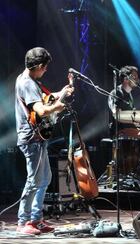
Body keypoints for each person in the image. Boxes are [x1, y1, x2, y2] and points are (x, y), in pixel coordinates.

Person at [15, 47, 73, 234]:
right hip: (31, 139)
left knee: (44, 179)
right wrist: (58, 107)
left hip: (37, 138)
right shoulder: (27, 83)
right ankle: (24, 222)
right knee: (34, 180)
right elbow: (42, 110)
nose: (46, 70)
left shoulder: (30, 81)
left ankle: (36, 219)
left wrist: (62, 92)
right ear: (39, 66)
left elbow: (45, 100)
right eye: (45, 67)